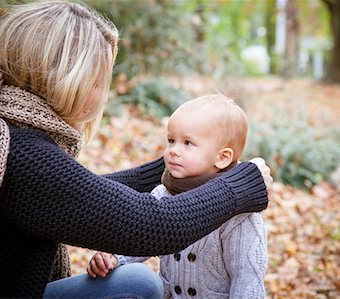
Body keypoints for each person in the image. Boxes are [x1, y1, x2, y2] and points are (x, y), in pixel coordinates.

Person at [0, 1, 272, 299]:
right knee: (139, 285)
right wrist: (242, 183)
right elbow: (153, 226)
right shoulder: (25, 155)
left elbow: (82, 193)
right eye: (99, 80)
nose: (103, 94)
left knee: (137, 281)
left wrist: (180, 165)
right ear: (70, 79)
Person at [88, 94, 268, 298]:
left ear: (222, 157)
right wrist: (114, 257)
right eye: (171, 141)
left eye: (188, 143)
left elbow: (247, 281)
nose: (173, 150)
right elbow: (144, 237)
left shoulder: (239, 216)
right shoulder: (163, 193)